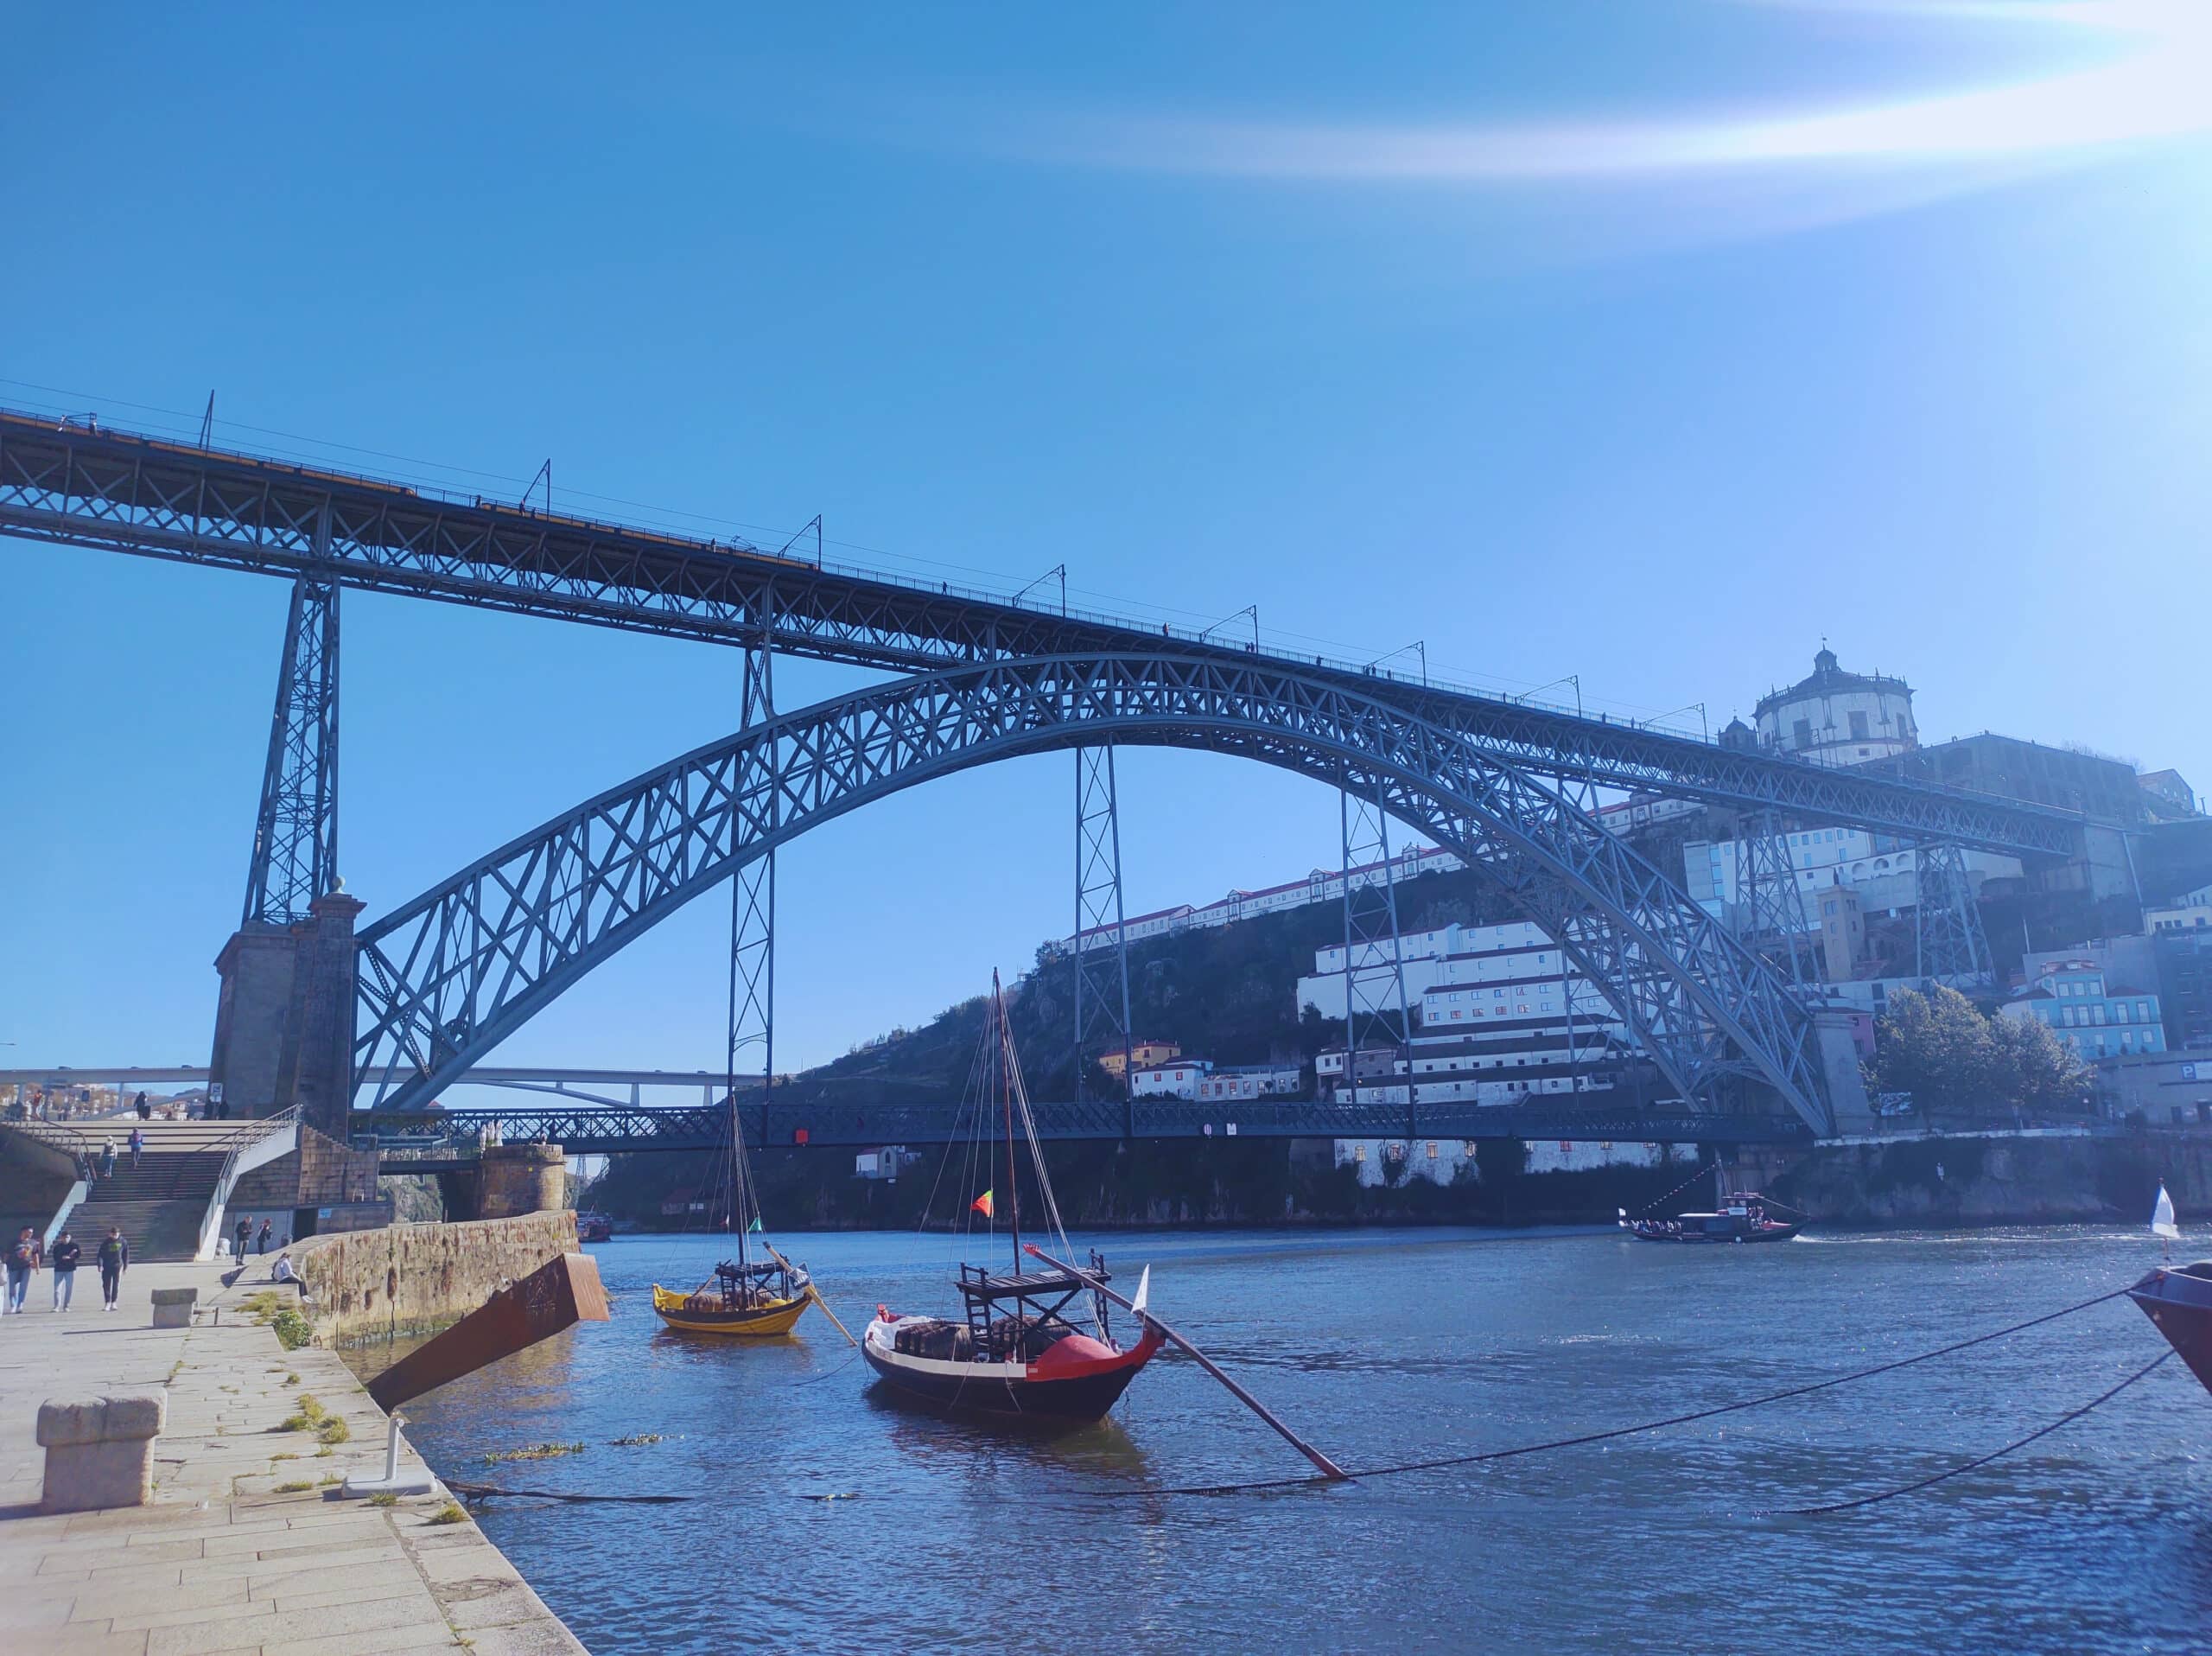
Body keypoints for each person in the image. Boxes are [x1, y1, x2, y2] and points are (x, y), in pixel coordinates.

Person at [5, 1226, 38, 1315]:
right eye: (29, 1232)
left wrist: (37, 1267)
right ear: (23, 1232)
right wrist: (4, 1266)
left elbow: (35, 1255)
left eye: (32, 1232)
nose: (31, 1234)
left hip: (26, 1267)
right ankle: (13, 1305)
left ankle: (20, 1305)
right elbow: (7, 1255)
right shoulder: (14, 1242)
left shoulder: (33, 1243)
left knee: (23, 1286)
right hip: (13, 1267)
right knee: (12, 1288)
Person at [96, 1226, 129, 1312]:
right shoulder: (105, 1243)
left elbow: (126, 1256)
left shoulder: (123, 1242)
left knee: (116, 1285)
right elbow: (100, 1255)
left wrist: (125, 1267)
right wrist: (100, 1265)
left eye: (116, 1234)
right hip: (107, 1266)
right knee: (106, 1285)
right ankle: (107, 1302)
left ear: (119, 1234)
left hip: (117, 1266)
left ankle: (114, 1302)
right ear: (109, 1234)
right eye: (113, 1234)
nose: (114, 1236)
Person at [49, 1230, 80, 1311]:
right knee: (57, 1289)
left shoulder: (74, 1246)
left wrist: (71, 1257)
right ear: (61, 1238)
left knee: (69, 1288)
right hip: (59, 1269)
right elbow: (55, 1258)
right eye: (64, 1237)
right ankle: (57, 1306)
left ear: (70, 1237)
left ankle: (66, 1305)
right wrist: (62, 1258)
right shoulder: (57, 1247)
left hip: (70, 1269)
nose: (65, 1239)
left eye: (67, 1237)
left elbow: (78, 1255)